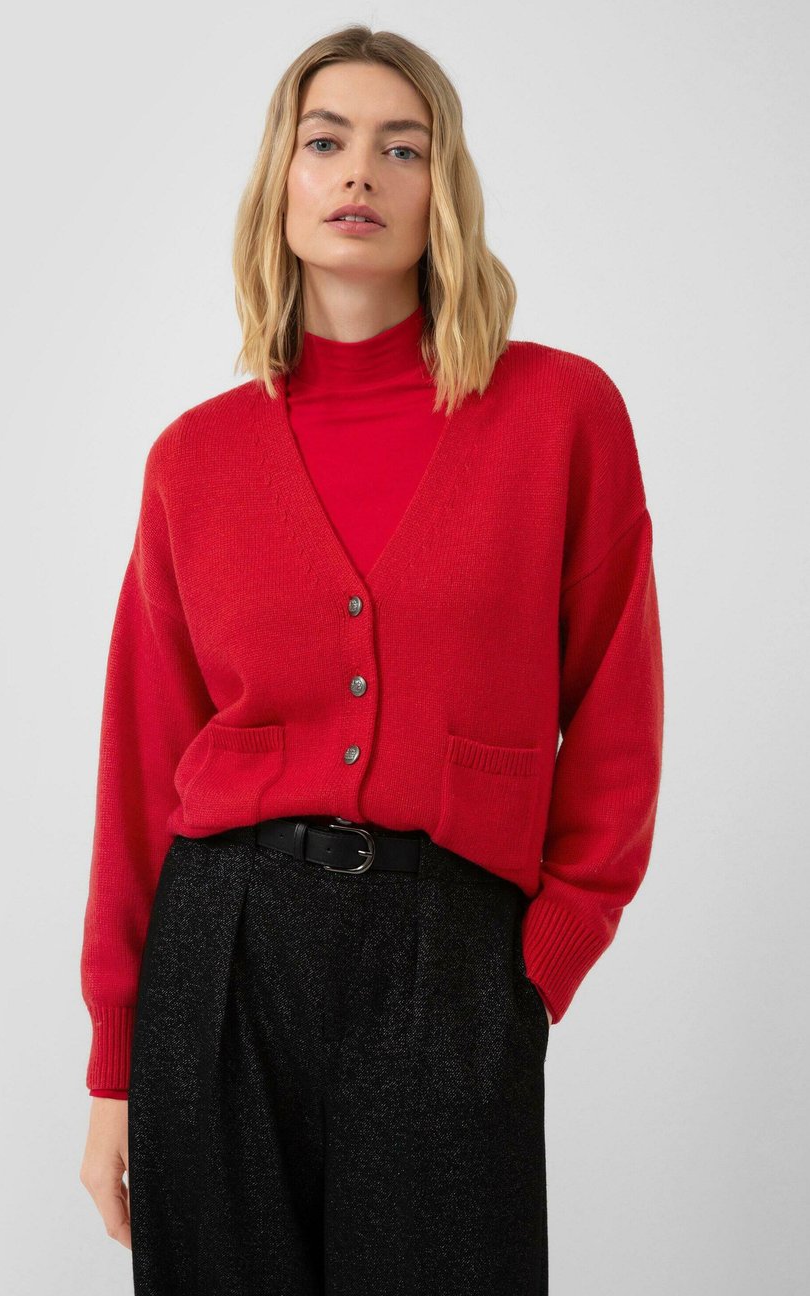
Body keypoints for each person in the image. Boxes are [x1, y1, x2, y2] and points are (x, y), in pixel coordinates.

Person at [79, 24, 664, 1296]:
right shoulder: (194, 461)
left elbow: (618, 714)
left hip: (450, 954)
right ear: (281, 183)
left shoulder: (560, 416)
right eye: (326, 141)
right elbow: (140, 763)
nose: (361, 172)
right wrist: (115, 1065)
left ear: (443, 188)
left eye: (403, 147)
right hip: (221, 952)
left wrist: (538, 961)